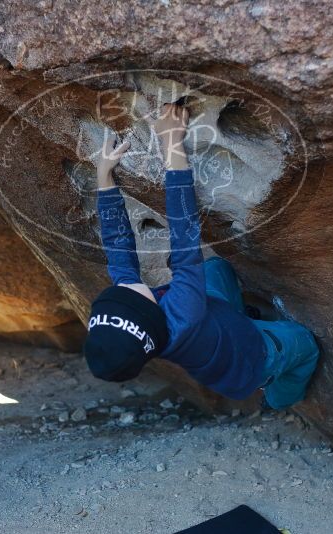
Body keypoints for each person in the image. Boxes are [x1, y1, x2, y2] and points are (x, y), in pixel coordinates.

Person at [84, 102, 319, 409]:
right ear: (152, 320)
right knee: (304, 343)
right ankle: (279, 395)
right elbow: (184, 234)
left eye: (117, 293)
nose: (123, 285)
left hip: (217, 327)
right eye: (129, 295)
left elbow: (118, 248)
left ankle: (238, 319)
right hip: (253, 358)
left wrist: (104, 178)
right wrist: (172, 146)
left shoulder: (138, 309)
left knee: (218, 268)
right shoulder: (184, 313)